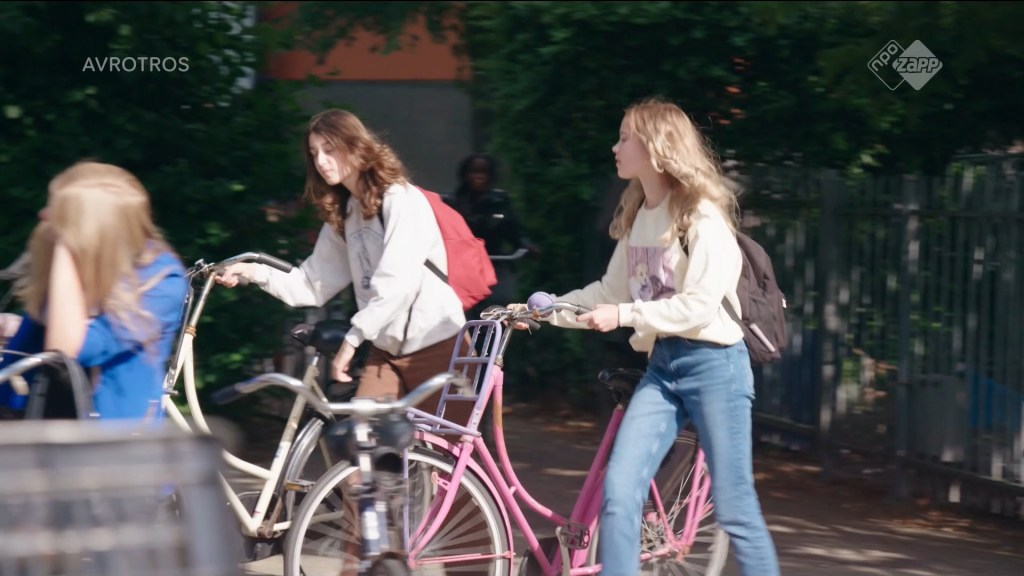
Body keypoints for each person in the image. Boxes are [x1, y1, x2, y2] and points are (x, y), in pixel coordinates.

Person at [509, 97, 780, 576]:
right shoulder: (639, 217)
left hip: (715, 367)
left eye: (624, 138)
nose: (615, 147)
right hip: (663, 366)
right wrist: (546, 310)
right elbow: (607, 293)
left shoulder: (702, 217)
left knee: (735, 506)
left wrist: (626, 314)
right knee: (619, 493)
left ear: (656, 146)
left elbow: (698, 305)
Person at [215, 109, 472, 426]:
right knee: (360, 444)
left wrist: (352, 340)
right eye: (314, 153)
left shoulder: (401, 199)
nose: (321, 161)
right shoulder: (345, 213)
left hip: (438, 343)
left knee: (445, 451)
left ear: (355, 146)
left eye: (329, 149)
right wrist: (253, 272)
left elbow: (398, 285)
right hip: (386, 351)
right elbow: (311, 284)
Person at [0, 161, 189, 421]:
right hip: (29, 420)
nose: (43, 215)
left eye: (57, 211)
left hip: (108, 438)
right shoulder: (81, 264)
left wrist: (66, 244)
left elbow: (65, 350)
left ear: (89, 224)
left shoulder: (161, 279)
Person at [447, 153, 538, 320]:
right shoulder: (453, 202)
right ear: (465, 174)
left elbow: (515, 231)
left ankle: (497, 331)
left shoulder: (500, 202)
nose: (479, 177)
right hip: (463, 266)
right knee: (460, 307)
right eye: (474, 171)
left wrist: (525, 245)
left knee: (500, 301)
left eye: (484, 172)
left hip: (495, 262)